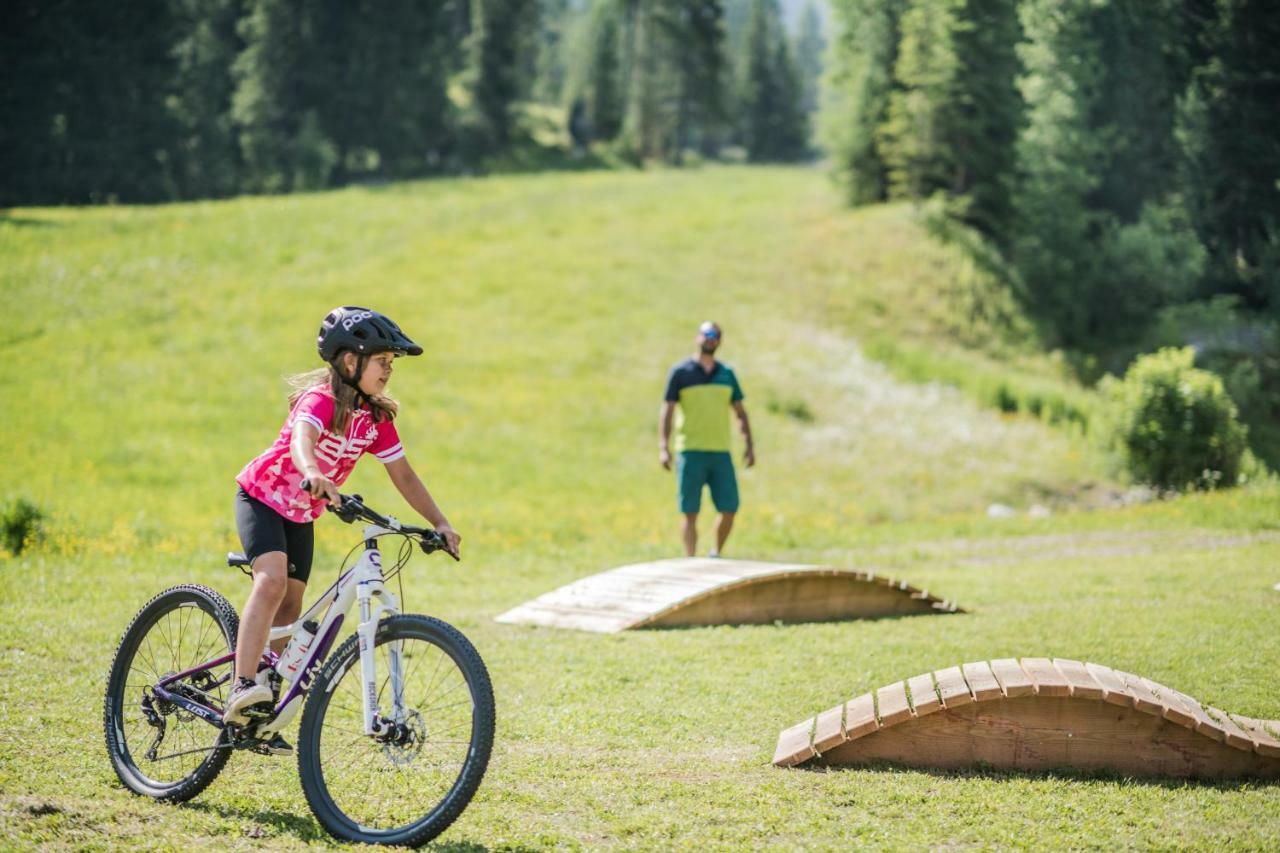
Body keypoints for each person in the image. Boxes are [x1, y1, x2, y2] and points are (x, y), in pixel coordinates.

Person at [223, 306, 461, 753]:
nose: (389, 371)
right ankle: (242, 683)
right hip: (261, 498)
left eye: (392, 364)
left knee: (293, 603)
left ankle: (261, 706)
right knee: (271, 582)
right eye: (382, 361)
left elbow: (404, 475)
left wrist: (440, 522)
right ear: (350, 362)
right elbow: (301, 441)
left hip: (301, 514)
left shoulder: (375, 421)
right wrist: (313, 471)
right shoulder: (321, 401)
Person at [659, 321, 755, 557]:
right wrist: (664, 446)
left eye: (716, 335)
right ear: (697, 337)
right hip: (690, 450)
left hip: (720, 451)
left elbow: (740, 412)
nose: (711, 339)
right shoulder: (681, 373)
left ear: (720, 342)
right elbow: (668, 411)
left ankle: (716, 553)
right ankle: (690, 559)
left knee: (729, 507)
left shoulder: (727, 374)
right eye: (707, 334)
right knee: (690, 510)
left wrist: (749, 445)